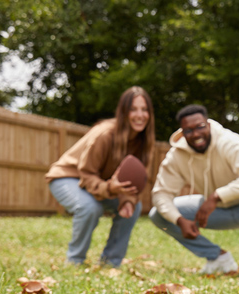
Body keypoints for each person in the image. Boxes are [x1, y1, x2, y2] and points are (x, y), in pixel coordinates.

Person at [149, 104, 239, 281]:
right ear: (182, 132)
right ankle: (219, 258)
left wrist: (216, 196)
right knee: (158, 214)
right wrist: (179, 220)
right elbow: (160, 194)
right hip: (214, 211)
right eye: (188, 130)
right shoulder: (177, 155)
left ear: (208, 125)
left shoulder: (229, 142)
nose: (195, 134)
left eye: (200, 127)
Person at [45, 86, 156, 267]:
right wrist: (110, 188)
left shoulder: (144, 142)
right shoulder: (105, 134)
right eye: (133, 109)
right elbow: (87, 173)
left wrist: (127, 200)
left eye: (144, 110)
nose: (140, 115)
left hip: (99, 184)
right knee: (89, 207)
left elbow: (135, 181)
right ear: (123, 112)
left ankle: (111, 262)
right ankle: (74, 260)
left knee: (135, 207)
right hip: (67, 177)